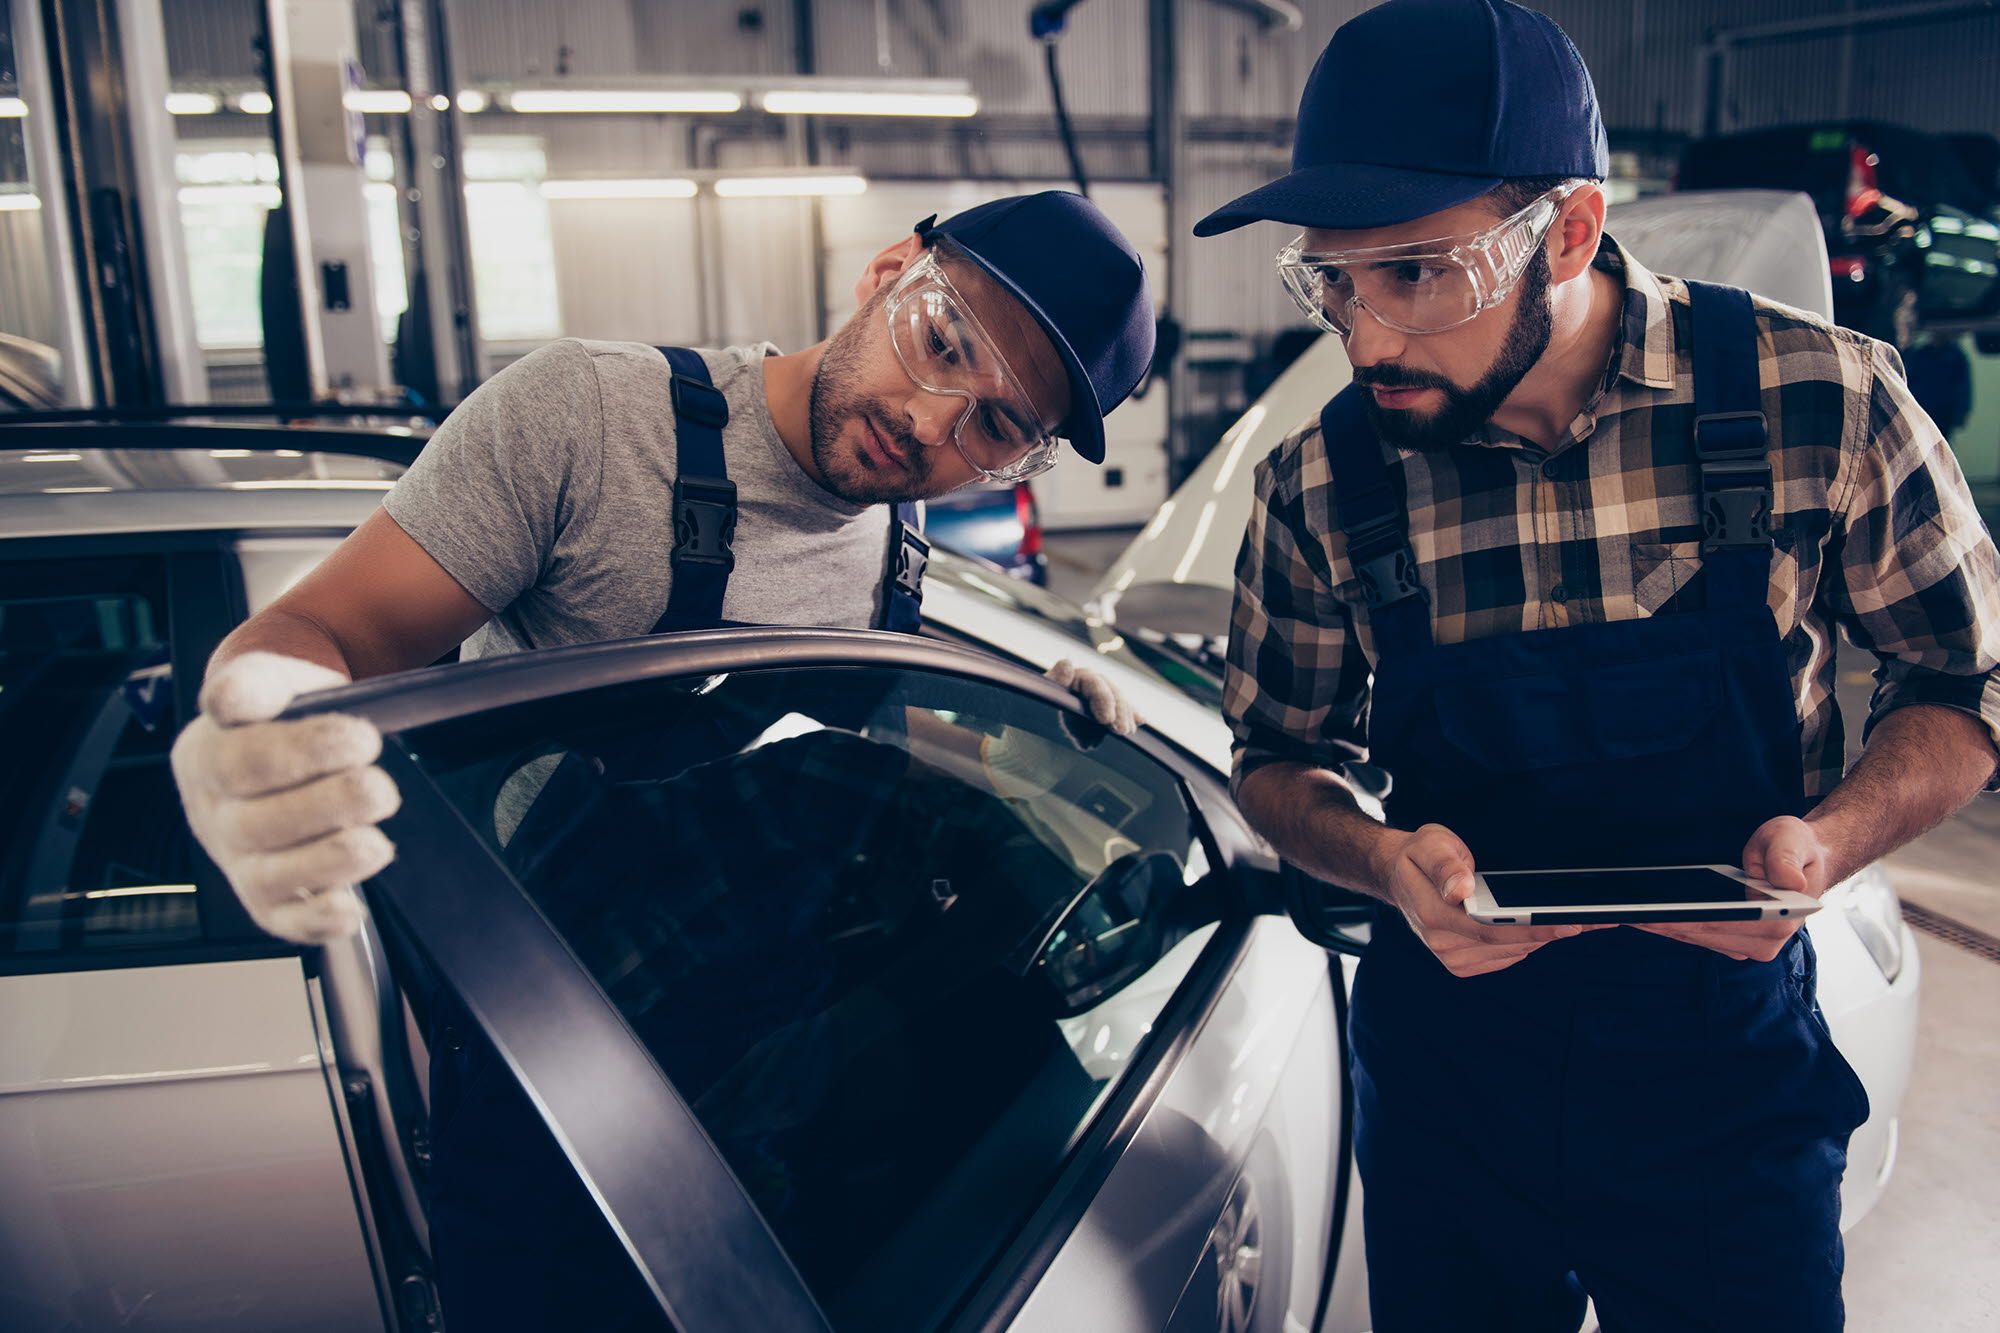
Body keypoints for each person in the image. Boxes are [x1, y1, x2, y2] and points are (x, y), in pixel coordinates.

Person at [1199, 2, 2000, 1329]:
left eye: (1416, 274)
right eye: (1334, 278)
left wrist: (1831, 840)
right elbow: (1277, 762)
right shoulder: (1322, 487)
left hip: (1724, 1096)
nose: (1369, 337)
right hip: (1454, 1096)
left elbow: (1963, 687)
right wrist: (1387, 864)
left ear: (1569, 230)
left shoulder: (1824, 404)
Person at [172, 189, 1153, 946]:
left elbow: (817, 715)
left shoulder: (896, 515)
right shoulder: (585, 417)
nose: (930, 419)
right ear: (888, 270)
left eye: (995, 425)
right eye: (939, 343)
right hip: (553, 1020)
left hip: (758, 1028)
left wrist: (1015, 722)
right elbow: (336, 632)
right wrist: (257, 729)